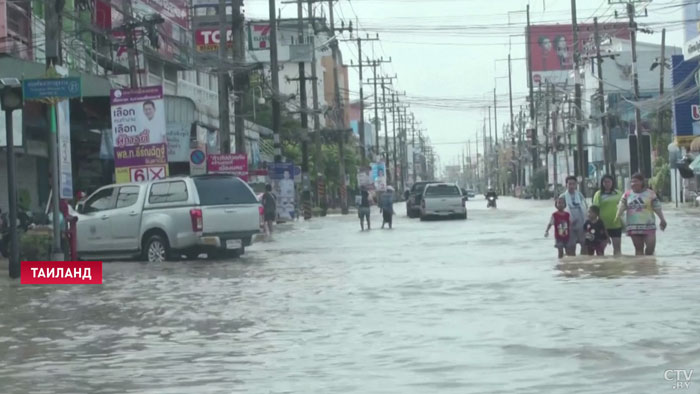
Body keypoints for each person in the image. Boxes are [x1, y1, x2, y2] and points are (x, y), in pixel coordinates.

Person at [615, 173, 668, 256]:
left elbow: (657, 208)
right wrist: (617, 218)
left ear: (642, 182)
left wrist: (662, 219)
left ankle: (649, 266)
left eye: (636, 181)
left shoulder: (651, 194)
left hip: (649, 226)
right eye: (631, 182)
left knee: (650, 249)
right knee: (639, 250)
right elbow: (620, 208)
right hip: (633, 227)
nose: (633, 184)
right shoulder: (627, 195)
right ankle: (640, 268)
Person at [592, 175, 623, 256]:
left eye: (609, 181)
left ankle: (617, 267)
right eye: (605, 182)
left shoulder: (619, 193)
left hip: (616, 224)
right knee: (600, 250)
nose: (607, 184)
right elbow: (595, 209)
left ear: (612, 183)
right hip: (602, 225)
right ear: (602, 183)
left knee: (617, 250)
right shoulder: (598, 194)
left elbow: (624, 207)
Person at [559, 175, 588, 256]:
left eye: (573, 184)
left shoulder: (580, 195)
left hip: (581, 224)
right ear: (566, 185)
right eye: (570, 184)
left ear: (576, 185)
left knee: (585, 245)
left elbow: (586, 208)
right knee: (570, 248)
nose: (571, 186)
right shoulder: (562, 197)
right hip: (568, 226)